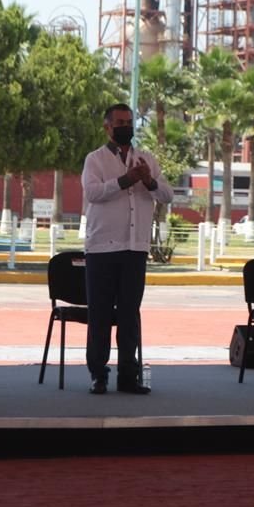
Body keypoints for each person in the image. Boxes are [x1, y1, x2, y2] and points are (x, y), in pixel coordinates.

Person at [82, 103, 173, 394]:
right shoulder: (95, 160)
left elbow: (167, 195)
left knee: (129, 314)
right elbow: (93, 193)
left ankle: (128, 375)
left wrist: (148, 180)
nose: (126, 127)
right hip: (102, 249)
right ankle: (99, 374)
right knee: (100, 314)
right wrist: (125, 181)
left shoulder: (145, 158)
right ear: (108, 127)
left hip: (135, 248)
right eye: (120, 122)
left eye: (130, 121)